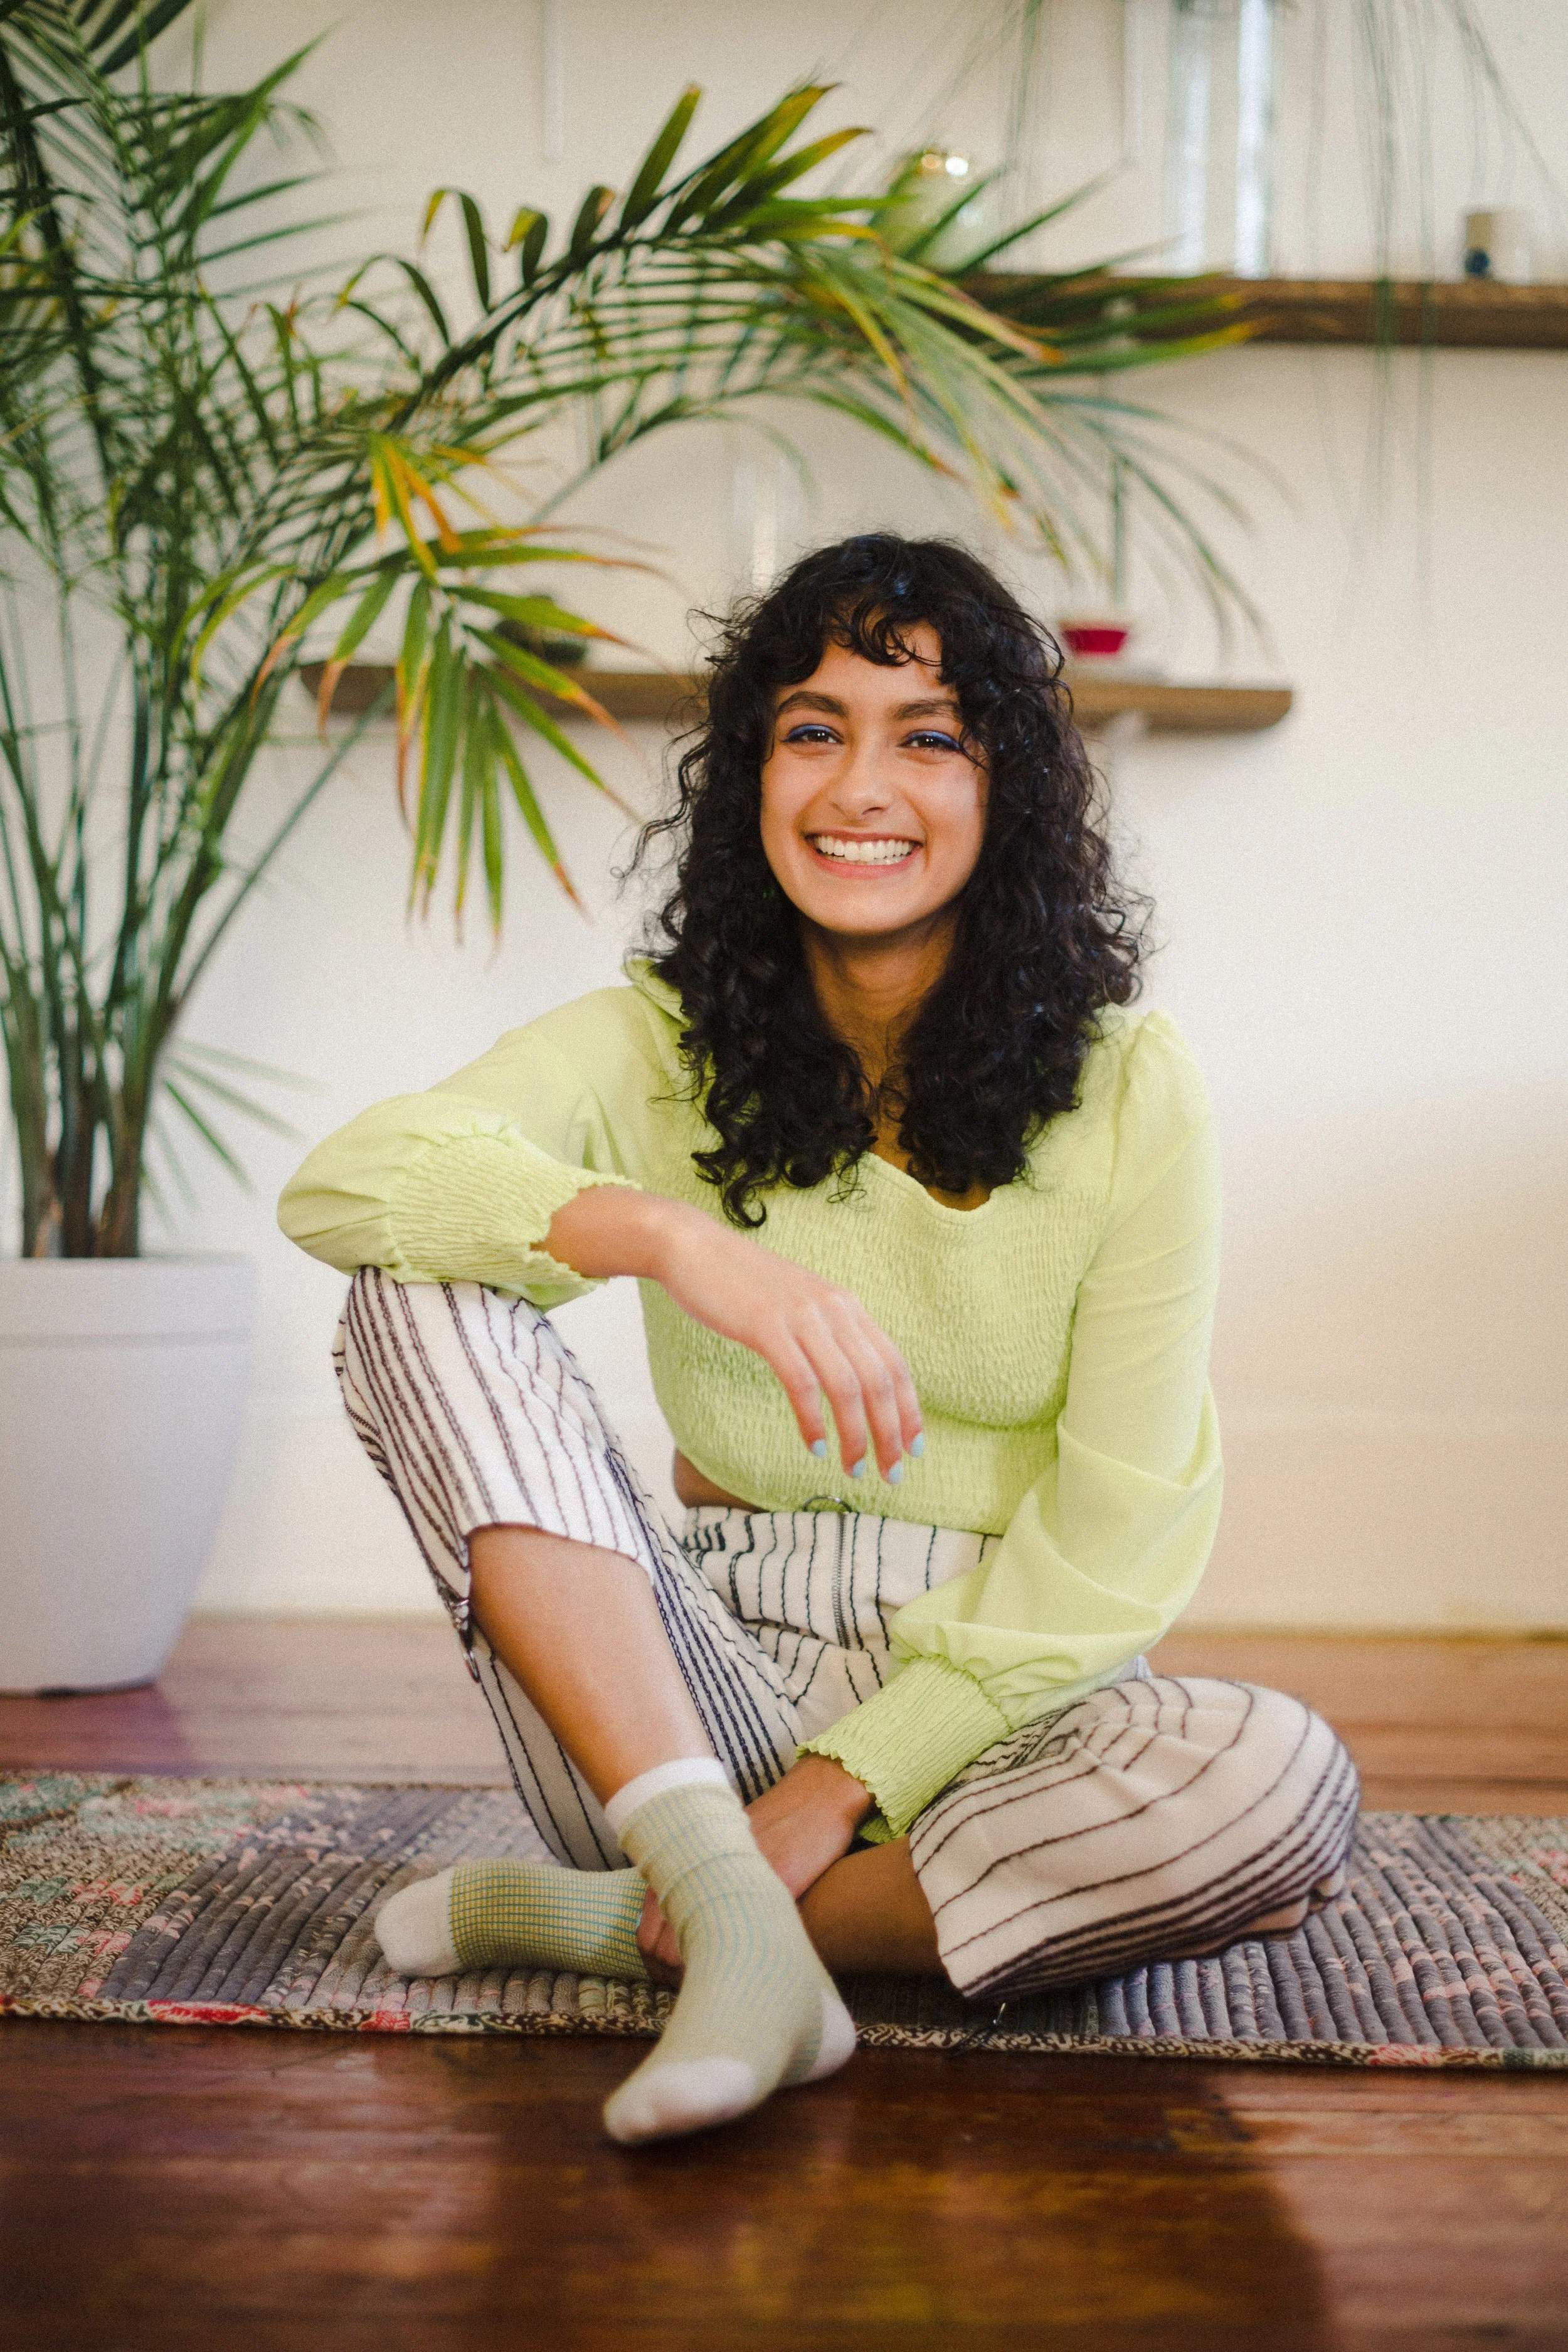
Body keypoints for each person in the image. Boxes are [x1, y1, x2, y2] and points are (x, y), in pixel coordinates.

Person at [278, 534, 1357, 2146]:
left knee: (1277, 1785)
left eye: (927, 736)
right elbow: (341, 1183)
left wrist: (837, 1788)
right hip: (676, 1703)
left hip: (1001, 1712)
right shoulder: (653, 1046)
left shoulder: (1134, 1087)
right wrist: (670, 1238)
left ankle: (640, 1924)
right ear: (751, 779)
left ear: (1006, 798)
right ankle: (719, 1883)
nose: (861, 784)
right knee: (413, 1278)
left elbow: (1123, 1529)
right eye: (812, 729)